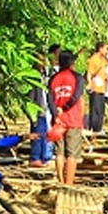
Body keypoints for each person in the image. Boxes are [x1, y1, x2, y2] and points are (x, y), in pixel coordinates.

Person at [48, 49, 86, 185]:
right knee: (72, 153)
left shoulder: (54, 78)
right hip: (73, 119)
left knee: (59, 152)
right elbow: (76, 96)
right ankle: (69, 183)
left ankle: (60, 180)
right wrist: (64, 108)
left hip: (58, 120)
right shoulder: (77, 77)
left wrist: (55, 113)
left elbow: (50, 99)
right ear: (72, 63)